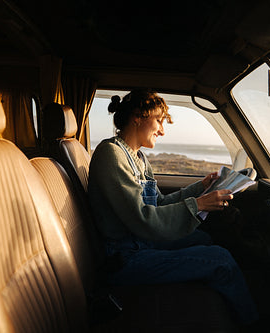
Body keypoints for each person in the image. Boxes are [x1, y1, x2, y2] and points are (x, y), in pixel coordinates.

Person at [88, 89, 258, 325]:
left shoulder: (137, 157)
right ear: (138, 116)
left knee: (203, 240)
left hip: (141, 241)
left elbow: (159, 203)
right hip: (125, 258)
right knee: (220, 259)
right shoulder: (111, 154)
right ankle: (252, 325)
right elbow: (144, 219)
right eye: (158, 120)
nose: (162, 130)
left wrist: (200, 187)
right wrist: (198, 205)